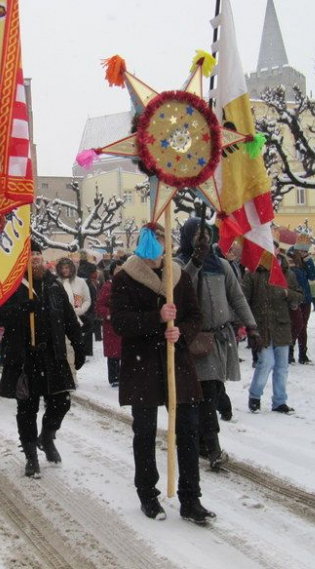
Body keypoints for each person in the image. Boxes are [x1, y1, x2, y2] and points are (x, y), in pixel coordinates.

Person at [110, 223, 214, 525]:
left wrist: (180, 333)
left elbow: (195, 315)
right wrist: (156, 318)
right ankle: (147, 493)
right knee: (144, 432)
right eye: (154, 238)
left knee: (189, 431)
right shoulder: (125, 277)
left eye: (163, 238)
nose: (159, 243)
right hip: (142, 366)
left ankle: (190, 498)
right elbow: (120, 322)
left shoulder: (177, 276)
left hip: (176, 363)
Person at [0, 241, 84, 479]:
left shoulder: (53, 285)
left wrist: (79, 343)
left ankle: (46, 436)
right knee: (27, 409)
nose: (34, 258)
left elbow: (68, 317)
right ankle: (31, 456)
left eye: (37, 254)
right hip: (25, 359)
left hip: (52, 356)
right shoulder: (12, 285)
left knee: (62, 402)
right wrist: (23, 308)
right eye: (29, 254)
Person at [181, 219, 259, 470]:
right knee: (205, 396)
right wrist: (195, 262)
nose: (202, 239)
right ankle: (212, 447)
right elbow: (179, 287)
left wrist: (251, 324)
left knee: (211, 395)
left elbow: (236, 296)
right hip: (195, 341)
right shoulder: (178, 263)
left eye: (206, 234)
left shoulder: (222, 265)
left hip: (220, 340)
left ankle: (204, 440)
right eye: (197, 235)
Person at [243, 249, 305, 414]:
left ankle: (279, 401)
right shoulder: (253, 273)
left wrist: (287, 293)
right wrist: (246, 323)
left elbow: (299, 295)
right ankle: (255, 396)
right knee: (266, 362)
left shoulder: (287, 274)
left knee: (282, 366)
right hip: (261, 326)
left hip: (282, 326)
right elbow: (243, 299)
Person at [55, 257, 91, 381]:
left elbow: (86, 300)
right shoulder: (55, 282)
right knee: (64, 349)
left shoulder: (80, 282)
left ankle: (72, 375)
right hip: (59, 321)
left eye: (67, 267)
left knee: (74, 348)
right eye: (62, 268)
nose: (65, 270)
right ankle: (66, 376)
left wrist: (79, 310)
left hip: (75, 321)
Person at [288, 235, 315, 365]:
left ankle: (303, 354)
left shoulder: (306, 262)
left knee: (303, 326)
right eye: (302, 251)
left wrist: (308, 260)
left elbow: (313, 276)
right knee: (296, 325)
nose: (303, 253)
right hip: (294, 298)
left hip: (306, 298)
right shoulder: (289, 260)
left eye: (305, 251)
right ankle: (289, 350)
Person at [95, 259, 124, 387]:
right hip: (111, 326)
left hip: (125, 324)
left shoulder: (129, 285)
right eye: (117, 269)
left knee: (125, 352)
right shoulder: (108, 286)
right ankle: (114, 377)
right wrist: (110, 314)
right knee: (114, 354)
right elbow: (100, 306)